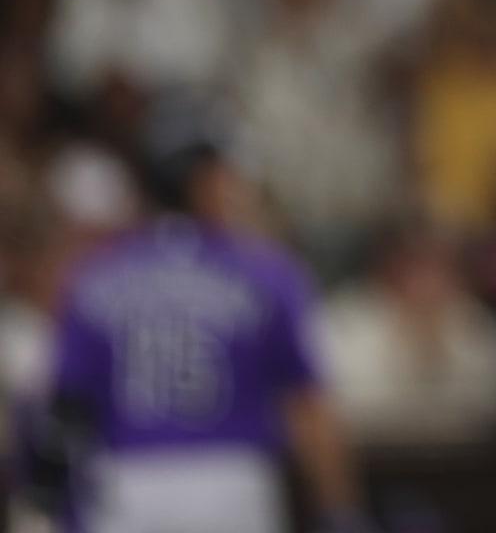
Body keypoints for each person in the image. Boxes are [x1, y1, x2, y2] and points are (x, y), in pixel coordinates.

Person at [15, 94, 370, 533]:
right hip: (231, 484)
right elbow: (310, 410)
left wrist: (42, 504)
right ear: (198, 178)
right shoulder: (266, 272)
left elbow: (65, 410)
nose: (235, 185)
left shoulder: (95, 276)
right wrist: (342, 510)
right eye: (225, 173)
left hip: (126, 487)